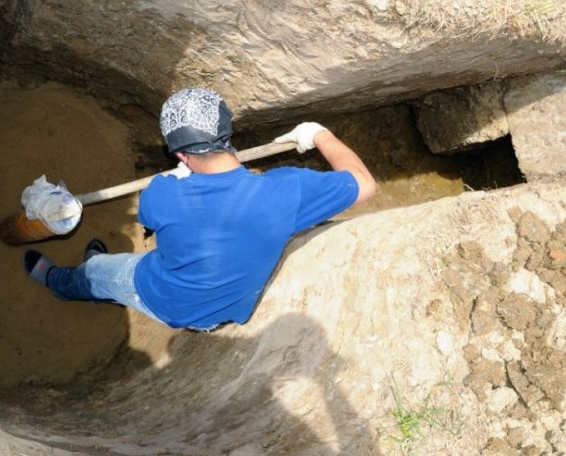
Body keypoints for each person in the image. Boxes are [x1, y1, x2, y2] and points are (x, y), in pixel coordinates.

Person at [23, 87, 376, 330]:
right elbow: (364, 183)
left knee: (98, 271)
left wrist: (179, 180)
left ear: (179, 154)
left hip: (166, 299)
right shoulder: (287, 192)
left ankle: (60, 281)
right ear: (226, 133)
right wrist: (317, 134)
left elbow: (150, 219)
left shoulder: (161, 193)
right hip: (223, 312)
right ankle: (103, 283)